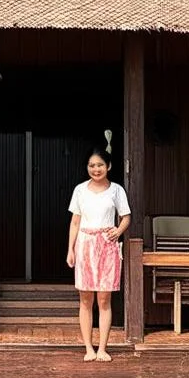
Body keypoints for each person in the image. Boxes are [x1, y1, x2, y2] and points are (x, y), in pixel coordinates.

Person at [66, 148, 132, 361]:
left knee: (104, 300)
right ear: (87, 168)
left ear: (108, 166)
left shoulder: (116, 190)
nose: (96, 169)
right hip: (84, 245)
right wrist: (70, 249)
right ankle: (88, 348)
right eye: (92, 165)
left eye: (100, 165)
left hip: (106, 245)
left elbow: (125, 217)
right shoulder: (80, 190)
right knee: (85, 299)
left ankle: (103, 348)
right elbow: (75, 221)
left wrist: (118, 231)